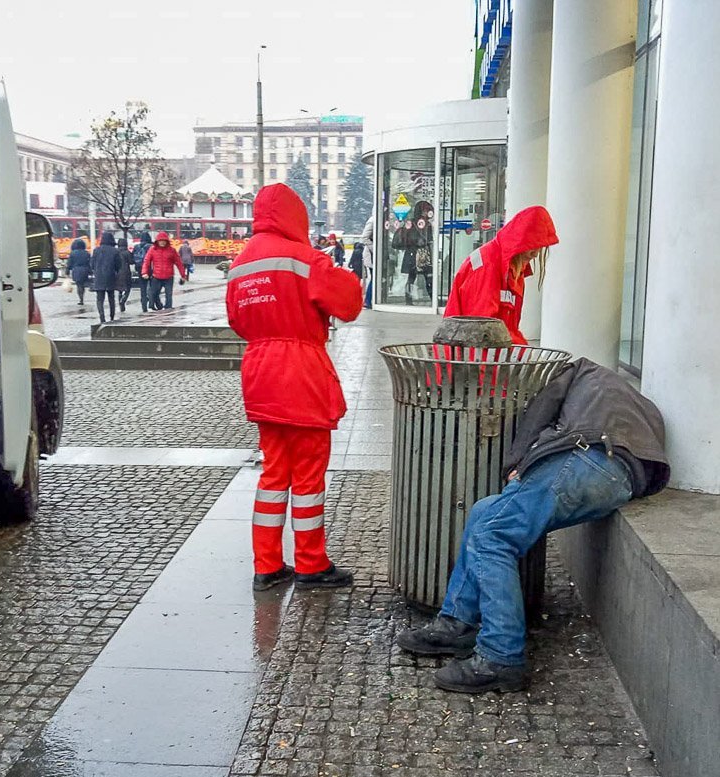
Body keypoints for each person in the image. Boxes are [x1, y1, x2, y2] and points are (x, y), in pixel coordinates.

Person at [397, 358, 669, 693]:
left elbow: (541, 412)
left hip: (587, 458)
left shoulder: (576, 370)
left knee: (493, 534)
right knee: (485, 512)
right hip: (623, 479)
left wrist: (517, 463)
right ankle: (457, 622)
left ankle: (500, 655)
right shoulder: (635, 399)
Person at [226, 183, 363, 592]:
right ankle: (311, 563)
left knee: (273, 473)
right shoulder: (305, 259)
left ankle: (267, 565)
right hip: (301, 373)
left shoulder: (241, 264)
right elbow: (349, 304)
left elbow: (237, 322)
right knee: (307, 475)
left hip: (260, 372)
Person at [444, 205, 559, 345]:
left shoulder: (513, 269)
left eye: (540, 246)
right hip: (471, 360)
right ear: (521, 241)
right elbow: (479, 332)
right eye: (533, 245)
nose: (535, 253)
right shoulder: (488, 265)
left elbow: (506, 328)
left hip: (489, 356)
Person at [142, 231, 186, 310]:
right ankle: (159, 306)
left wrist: (183, 275)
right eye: (160, 241)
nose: (162, 243)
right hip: (156, 276)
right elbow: (146, 261)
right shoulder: (152, 250)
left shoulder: (172, 250)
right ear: (157, 241)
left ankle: (168, 311)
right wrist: (144, 272)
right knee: (154, 294)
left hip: (168, 277)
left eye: (164, 241)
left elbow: (179, 263)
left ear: (167, 241)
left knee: (168, 295)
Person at [90, 231, 123, 324]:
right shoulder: (115, 251)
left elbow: (92, 264)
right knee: (111, 298)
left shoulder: (96, 250)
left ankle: (102, 317)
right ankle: (112, 316)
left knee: (100, 299)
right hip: (111, 276)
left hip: (99, 277)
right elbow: (119, 265)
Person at [132, 231, 154, 313]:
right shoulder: (151, 246)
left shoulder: (136, 246)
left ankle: (144, 306)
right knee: (151, 287)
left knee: (143, 288)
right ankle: (151, 303)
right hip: (149, 269)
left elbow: (133, 258)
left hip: (139, 269)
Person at [67, 238, 91, 306]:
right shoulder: (86, 253)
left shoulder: (73, 253)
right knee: (82, 284)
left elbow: (69, 263)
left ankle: (81, 298)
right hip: (85, 270)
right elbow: (89, 263)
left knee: (79, 285)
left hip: (76, 270)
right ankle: (82, 296)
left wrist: (67, 271)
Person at [359, 215, 375, 309]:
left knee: (375, 278)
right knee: (374, 278)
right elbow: (365, 237)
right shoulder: (373, 221)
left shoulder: (380, 220)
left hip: (374, 254)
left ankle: (369, 300)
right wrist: (375, 249)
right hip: (371, 255)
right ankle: (368, 300)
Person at [115, 237, 134, 313]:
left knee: (119, 289)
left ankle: (120, 300)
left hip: (117, 272)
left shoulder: (115, 252)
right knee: (128, 288)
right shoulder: (127, 252)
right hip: (126, 272)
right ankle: (123, 300)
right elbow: (132, 261)